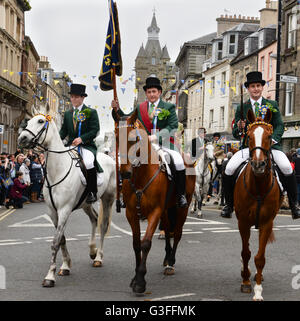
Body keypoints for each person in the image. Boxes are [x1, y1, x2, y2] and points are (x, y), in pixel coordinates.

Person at [221, 71, 300, 219]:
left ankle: (294, 205)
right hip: (248, 148)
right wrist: (240, 127)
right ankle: (229, 204)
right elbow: (237, 133)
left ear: (262, 87)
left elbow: (279, 126)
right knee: (229, 168)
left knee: (287, 167)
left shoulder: (272, 105)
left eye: (258, 86)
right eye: (252, 86)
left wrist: (273, 140)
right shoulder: (242, 108)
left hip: (270, 147)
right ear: (248, 89)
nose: (255, 89)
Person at [112, 76, 188, 208]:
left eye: (154, 91)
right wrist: (116, 110)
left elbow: (172, 126)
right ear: (146, 93)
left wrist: (156, 136)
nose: (152, 94)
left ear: (159, 92)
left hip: (164, 144)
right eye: (149, 92)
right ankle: (127, 194)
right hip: (143, 145)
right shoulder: (140, 107)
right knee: (127, 162)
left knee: (179, 161)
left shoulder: (168, 107)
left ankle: (180, 195)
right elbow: (127, 119)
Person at [59, 84, 101, 204]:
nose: (73, 99)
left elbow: (95, 130)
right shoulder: (68, 113)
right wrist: (56, 140)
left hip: (86, 146)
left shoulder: (91, 112)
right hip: (71, 146)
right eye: (72, 97)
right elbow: (64, 131)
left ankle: (92, 191)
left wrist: (82, 139)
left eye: (76, 97)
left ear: (82, 98)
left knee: (88, 163)